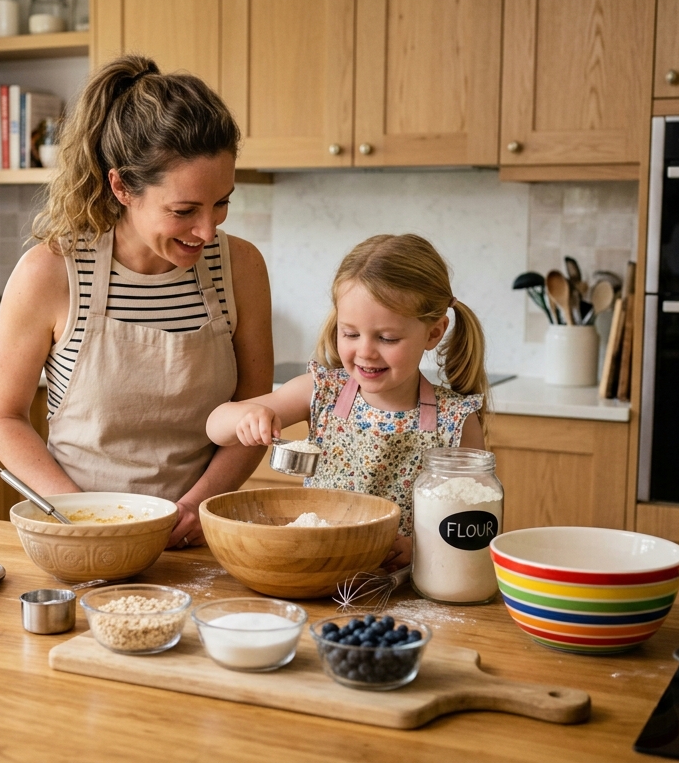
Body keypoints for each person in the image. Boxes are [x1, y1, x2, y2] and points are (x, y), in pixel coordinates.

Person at [0, 55, 273, 550]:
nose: (208, 230)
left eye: (221, 202)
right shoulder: (51, 274)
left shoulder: (240, 268)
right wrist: (82, 516)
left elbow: (252, 408)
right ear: (122, 187)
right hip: (76, 535)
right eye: (184, 211)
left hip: (199, 537)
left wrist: (199, 507)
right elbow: (3, 416)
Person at [206, 234, 488, 571]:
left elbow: (474, 528)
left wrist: (419, 549)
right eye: (350, 333)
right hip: (322, 570)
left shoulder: (456, 422)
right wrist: (246, 415)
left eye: (387, 338)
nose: (365, 351)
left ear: (433, 333)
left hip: (400, 585)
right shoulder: (321, 391)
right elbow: (215, 427)